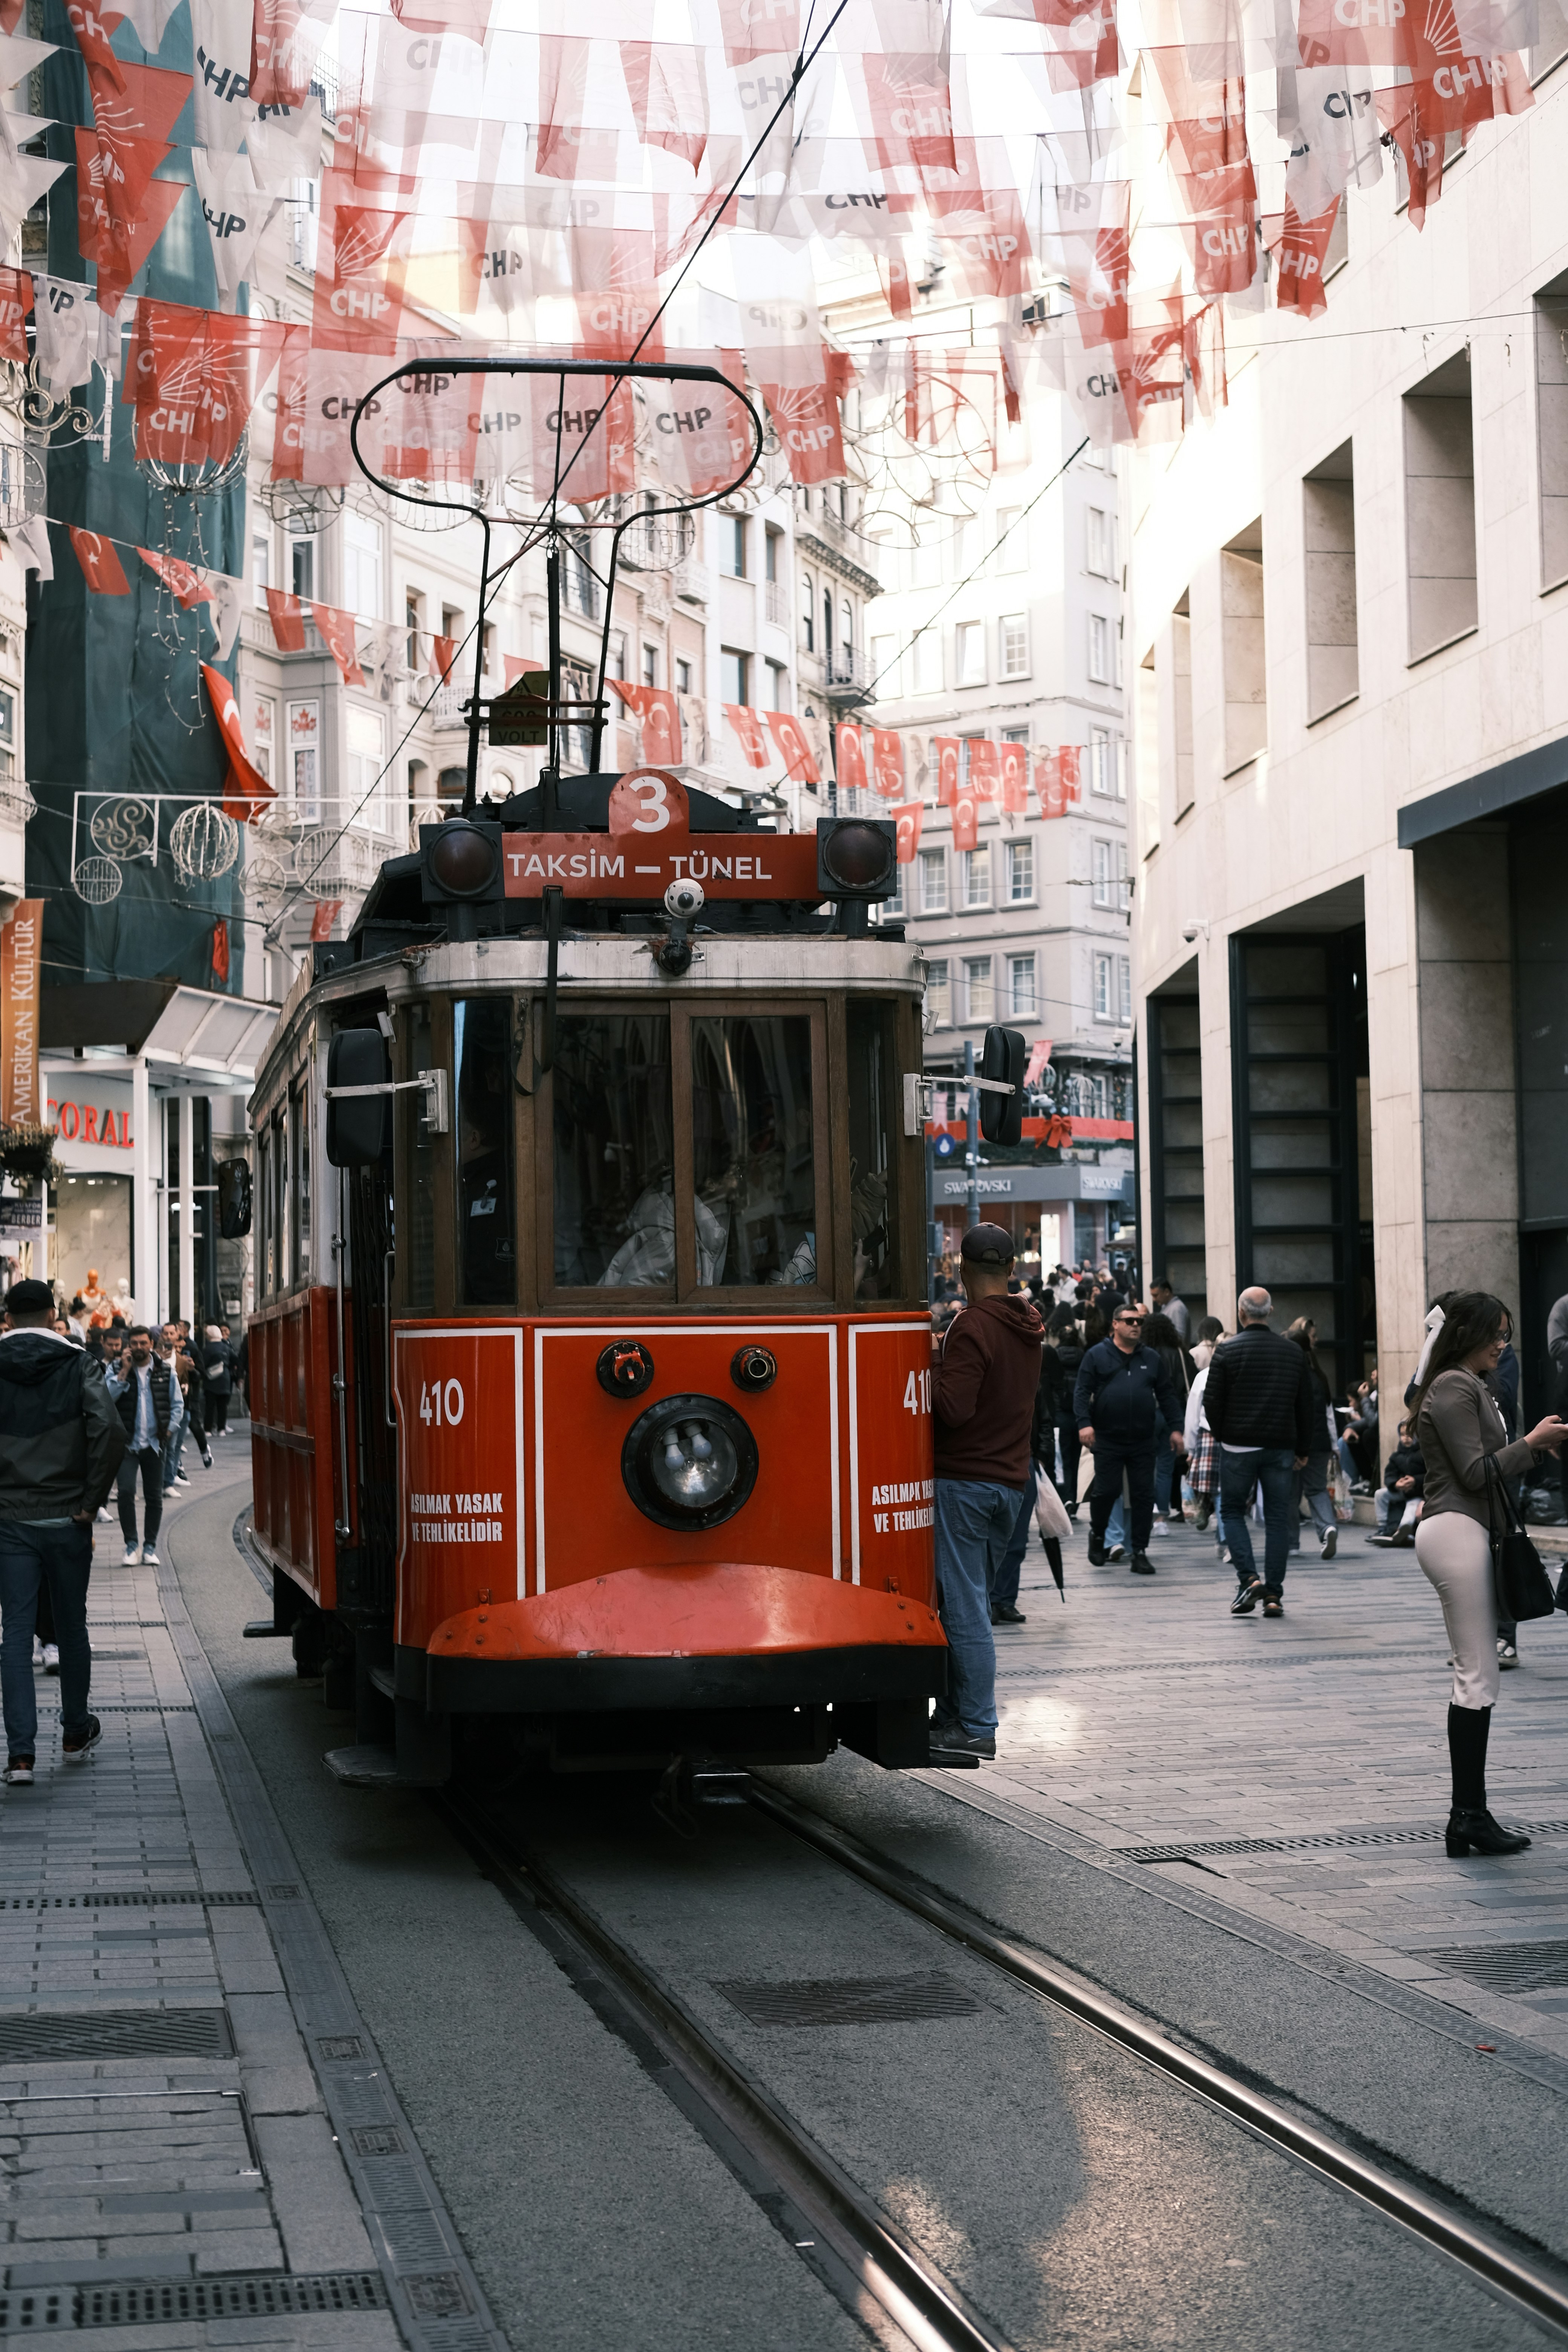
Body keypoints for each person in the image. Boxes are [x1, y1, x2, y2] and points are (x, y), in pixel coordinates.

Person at [1410, 1292, 1568, 1856]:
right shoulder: (1454, 1383)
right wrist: (1532, 1444)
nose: (1503, 1346)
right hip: (1457, 1529)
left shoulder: (1464, 1383)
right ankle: (1467, 1818)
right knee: (1476, 1678)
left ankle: (1470, 1816)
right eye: (1497, 1335)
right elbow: (1476, 1474)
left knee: (1478, 1677)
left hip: (1462, 1529)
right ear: (1469, 1334)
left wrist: (1531, 1446)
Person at [0, 1279, 122, 1785]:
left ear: (7, 1316)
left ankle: (21, 1756)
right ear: (54, 1315)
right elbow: (109, 1430)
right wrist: (91, 1502)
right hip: (68, 1515)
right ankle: (74, 1732)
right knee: (71, 1626)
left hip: (10, 1520)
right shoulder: (78, 1363)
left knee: (14, 1634)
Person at [929, 1225, 1044, 1758]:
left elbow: (953, 1409)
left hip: (966, 1482)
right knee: (970, 1598)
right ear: (1013, 1269)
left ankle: (976, 1723)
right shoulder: (1028, 1323)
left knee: (965, 1607)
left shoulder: (972, 1325)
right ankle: (953, 1715)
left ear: (961, 1267)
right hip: (1009, 1486)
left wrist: (930, 1366)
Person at [1203, 1287, 1314, 1619]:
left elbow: (1213, 1401)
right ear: (1271, 1311)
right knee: (1278, 1518)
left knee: (1233, 1512)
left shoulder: (1227, 1351)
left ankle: (1249, 1579)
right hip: (1280, 1445)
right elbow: (1305, 1405)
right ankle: (1274, 1596)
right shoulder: (1293, 1352)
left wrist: (1224, 1435)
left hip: (1238, 1445)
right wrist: (1303, 1448)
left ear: (1241, 1312)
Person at [1074, 1302, 1183, 1575]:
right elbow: (1081, 1391)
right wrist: (1084, 1424)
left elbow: (1168, 1395)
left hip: (1143, 1439)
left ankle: (1140, 1551)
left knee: (1144, 1496)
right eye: (1130, 1321)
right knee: (1106, 1492)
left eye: (1139, 1322)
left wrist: (1176, 1428)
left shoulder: (1151, 1358)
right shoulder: (1097, 1355)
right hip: (1108, 1438)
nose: (1136, 1326)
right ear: (1116, 1324)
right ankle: (1098, 1535)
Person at [991, 1331, 1071, 1623]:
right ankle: (989, 1599)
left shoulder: (1031, 1381)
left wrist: (1041, 1459)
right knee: (992, 1540)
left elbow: (1045, 1422)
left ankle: (1005, 1600)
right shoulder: (989, 1379)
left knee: (1017, 1542)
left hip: (1025, 1466)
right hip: (994, 1466)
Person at [105, 1328, 180, 1566]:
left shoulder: (165, 1371)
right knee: (126, 1492)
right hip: (127, 1444)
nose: (139, 1347)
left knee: (154, 1497)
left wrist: (169, 1431)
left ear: (152, 1344)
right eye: (134, 1343)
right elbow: (106, 1397)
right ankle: (131, 1545)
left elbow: (177, 1404)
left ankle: (150, 1547)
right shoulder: (116, 1369)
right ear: (128, 1345)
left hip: (155, 1444)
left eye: (143, 1343)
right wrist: (125, 1372)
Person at [1285, 1316, 1338, 1560]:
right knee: (1317, 1489)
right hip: (1321, 1444)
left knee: (1290, 1494)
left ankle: (1292, 1544)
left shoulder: (1290, 1376)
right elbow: (1329, 1415)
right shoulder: (1320, 1376)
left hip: (1296, 1444)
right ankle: (1328, 1527)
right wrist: (1335, 1445)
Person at [1141, 1311, 1195, 1531]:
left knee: (1144, 1465)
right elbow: (1190, 1382)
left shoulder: (1145, 1354)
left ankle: (1146, 1512)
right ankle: (1161, 1518)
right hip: (1174, 1415)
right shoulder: (1181, 1354)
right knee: (1165, 1467)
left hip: (1148, 1413)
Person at [1370, 1421, 1425, 1546]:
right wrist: (1396, 1484)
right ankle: (1383, 1527)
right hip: (1402, 1491)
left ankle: (1404, 1529)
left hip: (1417, 1493)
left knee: (1411, 1509)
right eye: (1403, 1434)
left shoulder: (1423, 1454)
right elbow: (1390, 1474)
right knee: (1380, 1494)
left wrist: (1415, 1481)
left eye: (1410, 1434)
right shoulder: (1396, 1456)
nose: (1406, 1438)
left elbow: (1430, 1474)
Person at [201, 1325, 234, 1435]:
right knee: (222, 1407)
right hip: (225, 1379)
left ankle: (208, 1429)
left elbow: (203, 1364)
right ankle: (222, 1429)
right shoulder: (226, 1347)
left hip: (211, 1380)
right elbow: (235, 1359)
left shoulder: (208, 1348)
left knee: (210, 1406)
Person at [1149, 1278, 1192, 1346]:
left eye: (1156, 1295)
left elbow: (1180, 1337)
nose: (1154, 1300)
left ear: (1167, 1292)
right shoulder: (1167, 1307)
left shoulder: (1177, 1308)